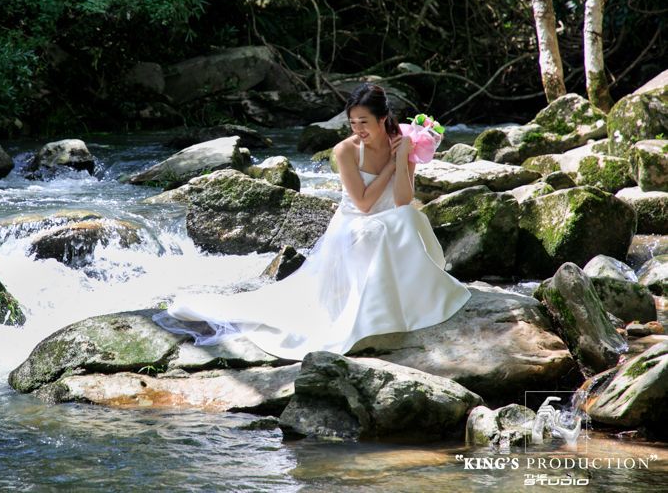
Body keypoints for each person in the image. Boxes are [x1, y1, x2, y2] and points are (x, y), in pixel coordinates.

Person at [152, 83, 471, 361]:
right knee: (391, 225)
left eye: (364, 122)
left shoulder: (403, 141)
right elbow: (363, 203)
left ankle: (416, 302)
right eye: (352, 122)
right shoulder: (346, 151)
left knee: (409, 217)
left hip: (389, 222)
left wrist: (402, 158)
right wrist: (391, 165)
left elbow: (402, 200)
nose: (358, 129)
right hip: (354, 227)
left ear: (383, 119)